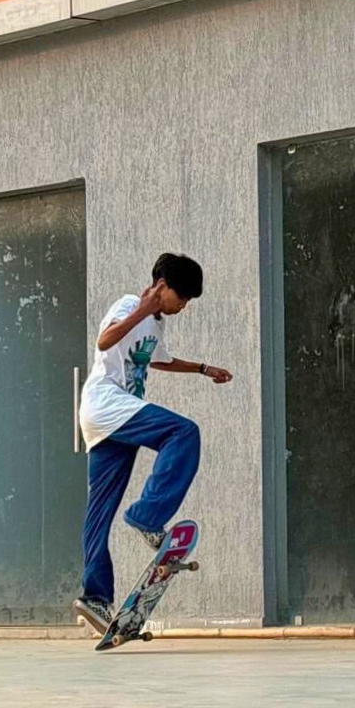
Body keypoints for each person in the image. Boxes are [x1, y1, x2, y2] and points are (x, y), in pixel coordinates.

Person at [72, 252, 232, 633]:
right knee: (184, 432)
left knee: (99, 511)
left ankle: (94, 597)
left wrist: (202, 368)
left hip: (106, 420)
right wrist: (141, 310)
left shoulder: (155, 324)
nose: (185, 305)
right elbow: (105, 340)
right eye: (183, 297)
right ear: (162, 287)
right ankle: (148, 515)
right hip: (109, 404)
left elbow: (156, 360)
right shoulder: (131, 305)